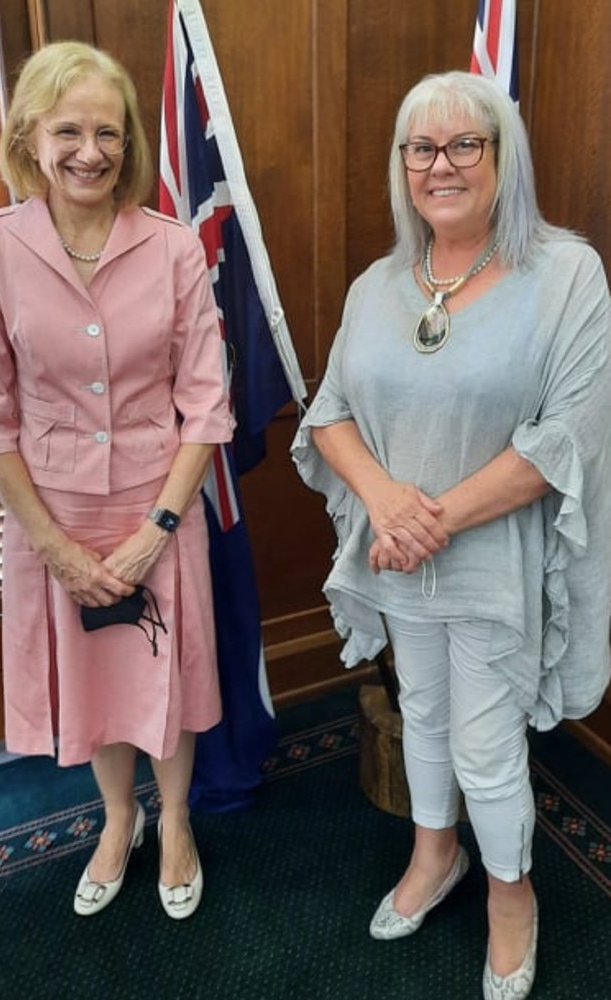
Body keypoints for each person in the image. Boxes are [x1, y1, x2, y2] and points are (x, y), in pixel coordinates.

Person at [292, 70, 611, 1000]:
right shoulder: (379, 285)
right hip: (399, 557)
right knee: (421, 714)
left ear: (502, 157)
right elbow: (331, 415)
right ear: (403, 167)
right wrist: (388, 504)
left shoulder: (566, 275)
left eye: (465, 144)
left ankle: (513, 894)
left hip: (495, 562)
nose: (442, 164)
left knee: (484, 743)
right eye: (422, 148)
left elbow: (566, 438)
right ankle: (437, 856)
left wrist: (426, 521)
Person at [0, 41, 235, 920]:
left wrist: (158, 524)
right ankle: (118, 820)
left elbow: (208, 405)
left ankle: (179, 820)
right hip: (51, 513)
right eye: (69, 130)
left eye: (108, 132)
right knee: (96, 682)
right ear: (30, 140)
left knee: (168, 677)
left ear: (128, 145)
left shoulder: (171, 248)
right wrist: (56, 548)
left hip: (162, 498)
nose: (90, 150)